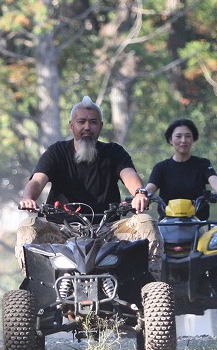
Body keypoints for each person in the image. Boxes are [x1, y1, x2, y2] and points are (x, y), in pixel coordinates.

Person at [16, 96, 164, 276]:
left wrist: (139, 193)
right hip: (61, 230)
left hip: (108, 229)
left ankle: (150, 284)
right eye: (81, 122)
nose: (87, 127)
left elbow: (130, 175)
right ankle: (32, 281)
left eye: (93, 122)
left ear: (100, 126)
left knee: (146, 222)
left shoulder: (114, 152)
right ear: (71, 126)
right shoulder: (57, 152)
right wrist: (28, 198)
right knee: (27, 225)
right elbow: (37, 180)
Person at [144, 118, 217, 219]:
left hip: (198, 223)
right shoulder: (161, 167)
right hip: (167, 223)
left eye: (188, 136)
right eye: (178, 136)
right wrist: (142, 196)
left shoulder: (203, 164)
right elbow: (150, 188)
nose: (183, 140)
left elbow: (213, 179)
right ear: (170, 140)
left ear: (193, 139)